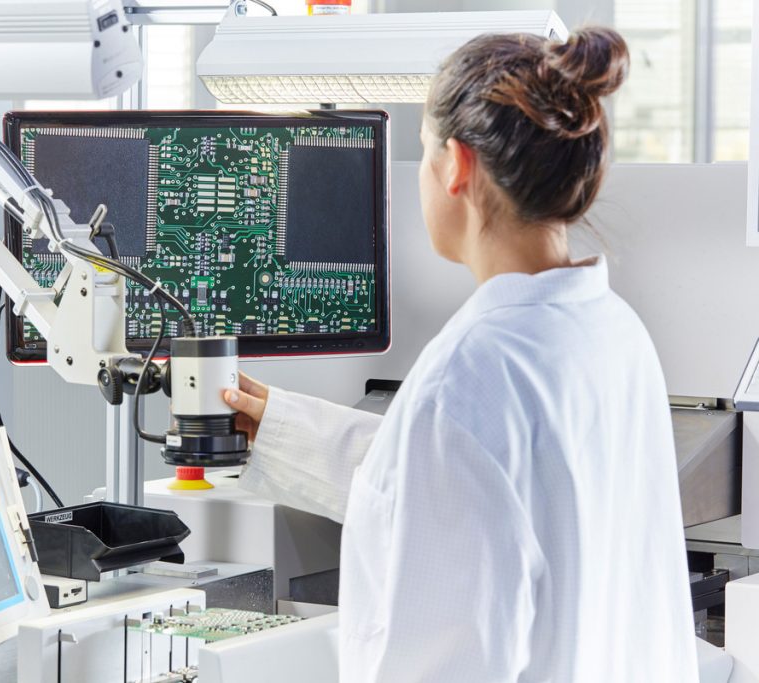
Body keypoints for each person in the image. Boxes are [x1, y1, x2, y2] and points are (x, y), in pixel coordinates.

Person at [223, 26, 699, 682]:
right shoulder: (614, 332)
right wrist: (281, 427)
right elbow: (472, 489)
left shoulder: (467, 375)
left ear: (457, 165)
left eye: (422, 152)